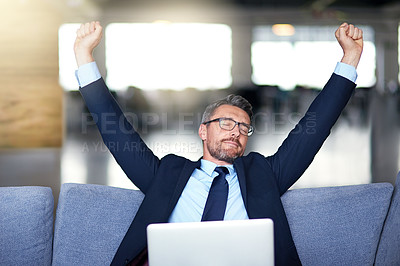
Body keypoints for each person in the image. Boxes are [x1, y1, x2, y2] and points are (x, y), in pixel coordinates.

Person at [73, 21, 363, 265]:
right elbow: (116, 132)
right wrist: (84, 56)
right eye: (225, 122)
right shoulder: (167, 174)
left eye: (243, 127)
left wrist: (350, 58)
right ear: (203, 131)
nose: (235, 131)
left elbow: (313, 130)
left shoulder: (265, 174)